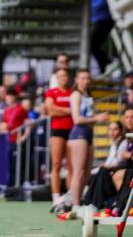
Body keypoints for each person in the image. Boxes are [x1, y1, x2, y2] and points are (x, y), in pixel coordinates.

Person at [59, 69, 99, 220]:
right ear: (76, 80)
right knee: (78, 172)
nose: (85, 81)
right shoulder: (76, 95)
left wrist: (94, 120)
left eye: (88, 78)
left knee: (86, 173)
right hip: (78, 134)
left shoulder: (88, 95)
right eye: (82, 78)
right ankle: (75, 205)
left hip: (88, 134)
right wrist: (97, 118)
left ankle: (78, 202)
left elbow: (89, 116)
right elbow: (77, 119)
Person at [46, 67, 74, 210]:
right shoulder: (51, 92)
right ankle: (56, 197)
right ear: (56, 78)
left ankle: (70, 197)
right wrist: (69, 110)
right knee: (56, 164)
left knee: (71, 166)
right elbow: (51, 110)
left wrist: (59, 110)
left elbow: (57, 109)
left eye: (65, 75)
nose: (63, 78)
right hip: (57, 130)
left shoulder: (72, 92)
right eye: (60, 76)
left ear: (68, 77)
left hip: (72, 130)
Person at [90, 0, 117, 73]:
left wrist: (89, 7)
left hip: (104, 20)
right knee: (93, 46)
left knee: (92, 45)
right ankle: (106, 62)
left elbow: (102, 1)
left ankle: (107, 63)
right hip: (100, 21)